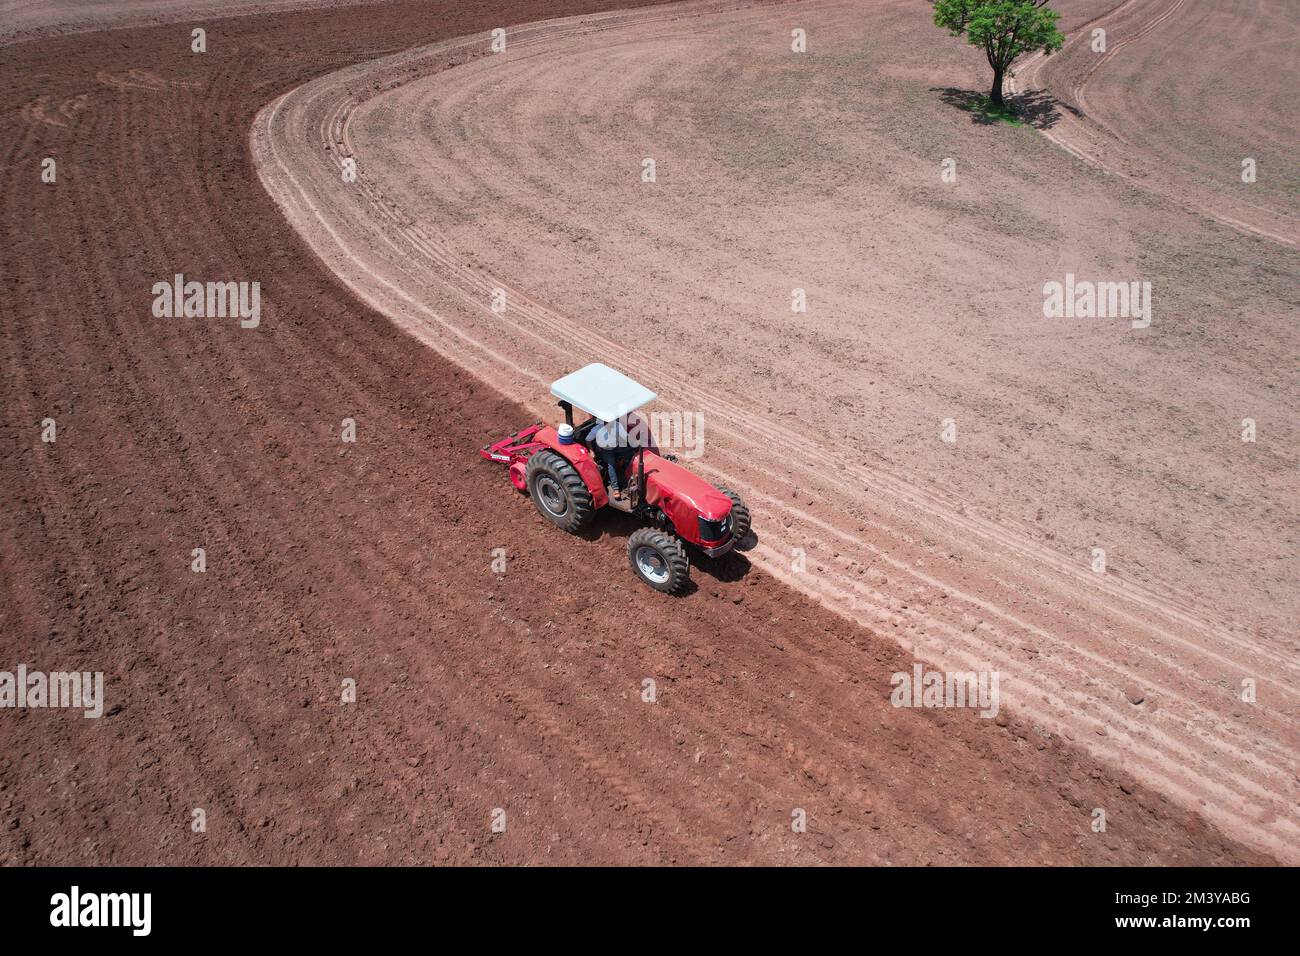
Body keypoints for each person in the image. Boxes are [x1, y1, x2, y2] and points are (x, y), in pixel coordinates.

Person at [591, 413, 647, 499]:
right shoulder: (598, 429)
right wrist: (591, 451)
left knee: (630, 452)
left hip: (614, 446)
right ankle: (615, 488)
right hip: (604, 449)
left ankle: (631, 473)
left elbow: (626, 436)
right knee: (611, 463)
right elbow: (588, 439)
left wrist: (636, 444)